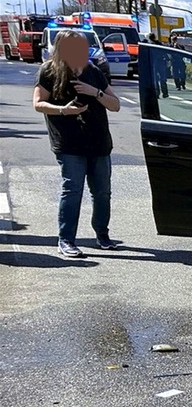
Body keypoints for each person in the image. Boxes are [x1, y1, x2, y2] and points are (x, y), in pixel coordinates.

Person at [31, 29, 121, 257]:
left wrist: (95, 93)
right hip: (69, 143)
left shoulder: (93, 71)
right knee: (72, 190)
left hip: (99, 141)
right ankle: (66, 240)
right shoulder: (49, 71)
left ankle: (102, 234)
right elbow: (38, 103)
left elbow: (115, 105)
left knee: (102, 192)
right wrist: (63, 110)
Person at [147, 34, 169, 98]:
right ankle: (165, 93)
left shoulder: (149, 44)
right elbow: (164, 52)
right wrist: (167, 59)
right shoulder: (159, 44)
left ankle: (157, 93)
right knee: (163, 78)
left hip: (153, 63)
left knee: (155, 79)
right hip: (160, 62)